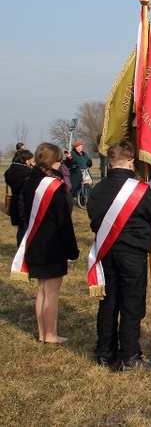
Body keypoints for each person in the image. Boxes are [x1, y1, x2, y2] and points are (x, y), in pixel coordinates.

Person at [87, 141, 151, 370]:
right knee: (131, 304)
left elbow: (93, 220)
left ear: (110, 162)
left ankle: (105, 353)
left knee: (108, 302)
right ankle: (129, 357)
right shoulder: (140, 190)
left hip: (106, 251)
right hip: (132, 253)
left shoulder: (98, 189)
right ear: (131, 160)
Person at [17, 143, 80, 343]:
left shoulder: (28, 182)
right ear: (53, 160)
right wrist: (72, 249)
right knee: (51, 291)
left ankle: (43, 333)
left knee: (42, 289)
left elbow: (22, 212)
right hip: (53, 243)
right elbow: (64, 221)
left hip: (34, 240)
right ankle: (51, 334)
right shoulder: (55, 187)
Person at [5, 149, 34, 246]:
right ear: (26, 160)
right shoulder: (28, 173)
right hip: (25, 202)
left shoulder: (10, 171)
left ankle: (20, 248)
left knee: (20, 228)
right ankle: (25, 249)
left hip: (15, 201)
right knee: (26, 228)